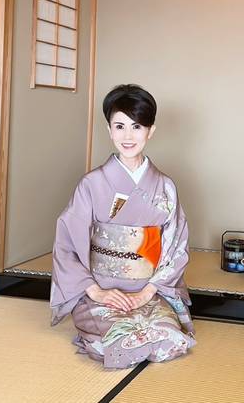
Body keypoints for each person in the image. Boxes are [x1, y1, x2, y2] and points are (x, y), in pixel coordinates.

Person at [51, 84, 195, 369]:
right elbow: (66, 244)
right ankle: (97, 326)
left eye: (137, 126)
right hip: (101, 291)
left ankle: (141, 321)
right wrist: (96, 291)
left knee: (168, 340)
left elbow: (177, 247)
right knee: (121, 341)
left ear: (150, 131)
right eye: (120, 126)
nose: (128, 136)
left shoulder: (165, 186)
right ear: (109, 130)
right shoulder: (91, 184)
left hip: (148, 292)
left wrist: (147, 292)